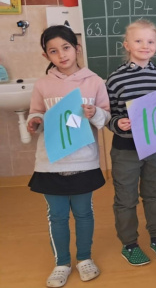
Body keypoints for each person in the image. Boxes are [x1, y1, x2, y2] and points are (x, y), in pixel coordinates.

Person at [26, 25, 110, 287]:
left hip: (84, 161)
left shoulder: (95, 81)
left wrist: (94, 113)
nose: (61, 55)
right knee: (57, 215)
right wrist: (35, 121)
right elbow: (35, 112)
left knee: (84, 213)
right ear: (46, 55)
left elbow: (105, 117)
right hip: (50, 164)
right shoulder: (43, 84)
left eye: (66, 48)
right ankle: (62, 263)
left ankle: (84, 258)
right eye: (53, 51)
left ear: (77, 49)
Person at [106, 20, 156, 266]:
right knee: (126, 198)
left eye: (150, 41)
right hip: (125, 149)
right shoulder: (115, 79)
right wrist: (118, 123)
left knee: (154, 192)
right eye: (138, 41)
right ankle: (129, 243)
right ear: (127, 45)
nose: (145, 45)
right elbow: (109, 115)